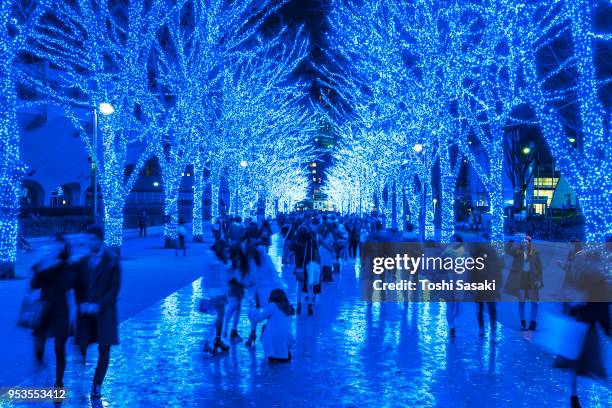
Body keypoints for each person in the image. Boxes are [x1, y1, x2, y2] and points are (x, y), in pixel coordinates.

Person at [74, 224, 121, 400]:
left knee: (104, 349)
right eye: (87, 239)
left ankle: (96, 385)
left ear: (100, 240)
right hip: (86, 312)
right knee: (82, 342)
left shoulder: (112, 260)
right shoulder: (83, 261)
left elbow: (114, 290)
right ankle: (82, 357)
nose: (89, 242)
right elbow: (77, 286)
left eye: (92, 239)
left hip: (104, 313)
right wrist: (80, 303)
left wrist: (98, 305)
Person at [30, 235, 75, 388]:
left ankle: (58, 383)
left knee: (59, 348)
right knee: (38, 344)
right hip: (43, 309)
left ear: (63, 248)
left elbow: (66, 285)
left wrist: (53, 265)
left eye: (59, 245)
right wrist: (41, 268)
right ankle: (42, 366)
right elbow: (35, 284)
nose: (55, 247)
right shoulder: (43, 263)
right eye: (54, 244)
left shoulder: (68, 265)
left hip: (61, 310)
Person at [504, 235, 543, 330]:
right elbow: (507, 250)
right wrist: (511, 240)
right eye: (523, 241)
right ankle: (522, 321)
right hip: (521, 278)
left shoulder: (535, 253)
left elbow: (539, 268)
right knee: (521, 301)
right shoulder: (518, 251)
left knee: (534, 302)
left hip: (532, 278)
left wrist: (539, 280)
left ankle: (533, 322)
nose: (525, 243)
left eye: (527, 241)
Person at [201, 240, 231, 354]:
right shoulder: (213, 258)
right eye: (224, 250)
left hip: (214, 291)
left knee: (219, 318)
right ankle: (208, 342)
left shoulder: (210, 256)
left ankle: (216, 340)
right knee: (218, 319)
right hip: (216, 292)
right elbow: (221, 270)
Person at [248, 289, 295, 362]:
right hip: (286, 345)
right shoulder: (289, 307)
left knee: (267, 330)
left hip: (272, 345)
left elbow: (258, 319)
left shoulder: (272, 306)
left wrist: (252, 311)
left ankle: (271, 354)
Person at [471, 238, 502, 341]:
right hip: (480, 286)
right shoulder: (476, 257)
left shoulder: (493, 256)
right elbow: (471, 273)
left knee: (490, 309)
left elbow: (498, 272)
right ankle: (483, 329)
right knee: (481, 309)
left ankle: (491, 331)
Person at [441, 234, 465, 337]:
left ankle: (454, 322)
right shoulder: (448, 251)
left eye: (454, 240)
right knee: (450, 305)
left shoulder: (463, 252)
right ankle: (451, 326)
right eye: (451, 240)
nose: (452, 242)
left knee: (459, 305)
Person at [291, 225, 318, 316]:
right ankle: (310, 306)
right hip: (310, 265)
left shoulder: (296, 241)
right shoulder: (311, 241)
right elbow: (315, 251)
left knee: (299, 286)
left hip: (300, 267)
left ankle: (298, 305)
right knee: (310, 287)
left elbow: (290, 250)